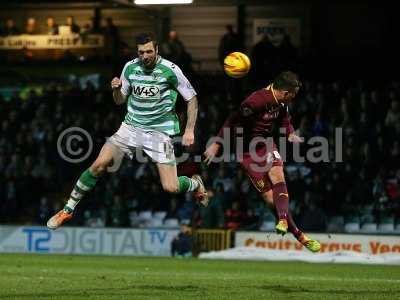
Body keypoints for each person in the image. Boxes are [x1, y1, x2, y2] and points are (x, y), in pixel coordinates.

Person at [47, 33, 209, 229]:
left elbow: (191, 98)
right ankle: (68, 209)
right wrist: (116, 89)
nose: (145, 56)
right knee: (98, 165)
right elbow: (119, 100)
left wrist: (189, 130)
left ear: (156, 50)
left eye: (149, 51)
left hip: (158, 133)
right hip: (130, 128)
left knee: (171, 187)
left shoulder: (170, 70)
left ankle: (196, 184)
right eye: (141, 52)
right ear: (137, 52)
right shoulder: (130, 67)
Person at [204, 71, 321, 252]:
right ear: (285, 92)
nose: (294, 97)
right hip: (246, 152)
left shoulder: (281, 101)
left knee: (277, 174)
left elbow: (284, 118)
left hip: (265, 144)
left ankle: (284, 220)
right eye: (293, 94)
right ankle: (298, 233)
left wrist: (289, 132)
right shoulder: (256, 101)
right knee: (268, 198)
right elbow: (232, 120)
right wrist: (216, 144)